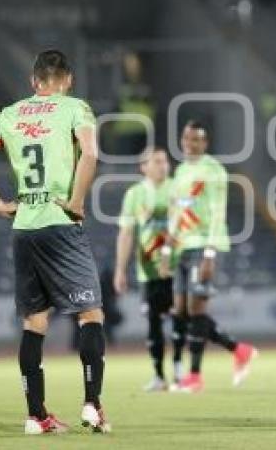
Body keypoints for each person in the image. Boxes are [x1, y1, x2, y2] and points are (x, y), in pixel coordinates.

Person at [0, 49, 110, 434]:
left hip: (24, 226)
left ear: (33, 82)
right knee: (90, 314)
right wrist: (75, 202)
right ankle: (92, 404)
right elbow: (90, 153)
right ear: (68, 80)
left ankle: (35, 415)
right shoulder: (76, 108)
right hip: (60, 221)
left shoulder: (10, 114)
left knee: (34, 322)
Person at [165, 120, 256, 392]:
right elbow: (176, 213)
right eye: (186, 139)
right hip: (181, 248)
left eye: (196, 140)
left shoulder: (213, 170)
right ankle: (238, 349)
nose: (189, 144)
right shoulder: (181, 171)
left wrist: (209, 253)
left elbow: (218, 212)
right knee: (181, 311)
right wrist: (167, 249)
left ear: (204, 143)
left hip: (202, 246)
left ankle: (194, 376)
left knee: (197, 310)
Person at [114, 146, 183, 391]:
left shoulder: (178, 187)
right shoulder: (134, 194)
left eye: (164, 161)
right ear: (143, 167)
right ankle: (158, 376)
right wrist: (120, 270)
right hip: (148, 269)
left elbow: (187, 224)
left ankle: (179, 372)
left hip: (177, 266)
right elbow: (126, 233)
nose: (163, 165)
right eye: (156, 162)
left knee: (179, 318)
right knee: (153, 322)